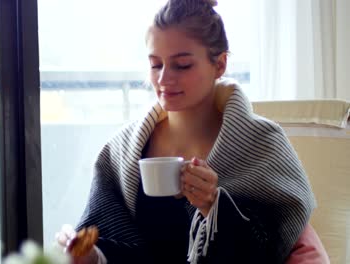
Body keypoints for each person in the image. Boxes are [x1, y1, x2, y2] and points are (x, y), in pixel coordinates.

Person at [57, 0, 327, 263]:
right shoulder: (119, 153)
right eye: (155, 64)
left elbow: (274, 247)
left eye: (182, 65)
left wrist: (214, 206)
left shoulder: (262, 144)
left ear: (219, 65)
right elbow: (108, 244)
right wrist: (90, 256)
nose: (163, 79)